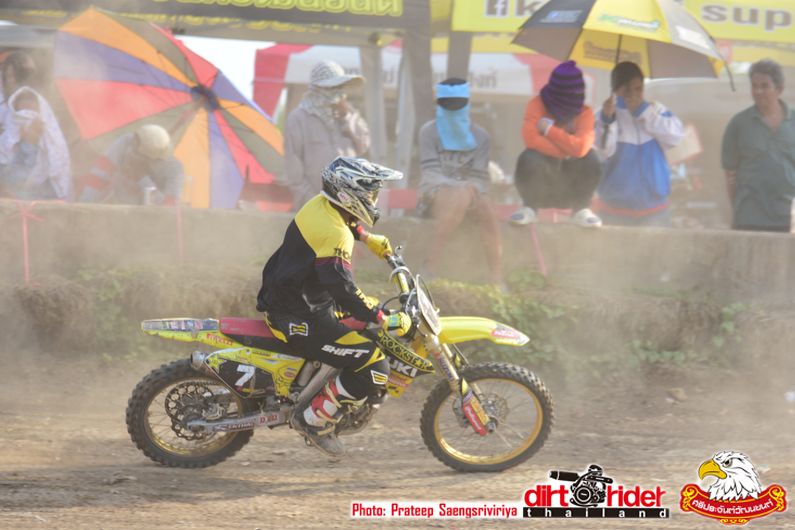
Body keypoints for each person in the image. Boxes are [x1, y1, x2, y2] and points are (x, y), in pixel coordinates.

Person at [256, 156, 410, 457]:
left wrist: (365, 237)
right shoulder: (335, 233)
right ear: (348, 194)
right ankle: (313, 422)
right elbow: (343, 288)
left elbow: (341, 221)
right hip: (299, 315)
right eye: (370, 194)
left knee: (364, 326)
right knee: (375, 366)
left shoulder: (320, 205)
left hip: (295, 298)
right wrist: (382, 317)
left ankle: (321, 390)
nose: (374, 200)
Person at [417, 78, 504, 286]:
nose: (453, 109)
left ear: (467, 104)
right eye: (448, 105)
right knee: (460, 195)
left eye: (457, 104)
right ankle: (430, 265)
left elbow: (480, 178)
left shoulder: (481, 136)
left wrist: (468, 189)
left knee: (487, 210)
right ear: (439, 105)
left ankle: (496, 277)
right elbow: (431, 174)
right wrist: (461, 188)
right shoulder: (429, 131)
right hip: (433, 195)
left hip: (472, 196)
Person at [510, 60, 603, 228]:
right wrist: (566, 150)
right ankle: (529, 208)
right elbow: (530, 138)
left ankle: (581, 210)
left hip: (571, 187)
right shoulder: (536, 105)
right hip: (542, 183)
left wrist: (549, 130)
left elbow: (581, 148)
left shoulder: (585, 113)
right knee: (529, 157)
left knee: (591, 158)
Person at [594, 62, 684, 227]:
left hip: (655, 209)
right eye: (627, 90)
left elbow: (675, 137)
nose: (633, 94)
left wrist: (644, 112)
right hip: (614, 210)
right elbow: (603, 151)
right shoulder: (603, 114)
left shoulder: (656, 110)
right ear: (615, 89)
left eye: (638, 89)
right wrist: (608, 120)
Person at [283, 60, 370, 210]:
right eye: (333, 87)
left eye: (340, 87)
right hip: (313, 206)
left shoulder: (349, 115)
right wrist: (313, 201)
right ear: (318, 88)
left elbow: (364, 145)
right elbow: (293, 170)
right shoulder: (298, 119)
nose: (338, 92)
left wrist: (347, 118)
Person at [722, 59, 795, 232]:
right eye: (754, 86)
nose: (758, 91)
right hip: (749, 217)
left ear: (779, 89)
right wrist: (738, 212)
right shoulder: (738, 124)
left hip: (788, 218)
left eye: (764, 86)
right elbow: (730, 175)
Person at [0, 51, 71, 200]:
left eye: (11, 76)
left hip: (29, 179)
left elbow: (29, 143)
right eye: (6, 76)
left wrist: (10, 187)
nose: (8, 81)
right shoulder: (13, 100)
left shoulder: (25, 98)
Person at [79, 124, 183, 205]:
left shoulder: (174, 169)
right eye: (134, 140)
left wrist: (143, 179)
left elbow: (170, 207)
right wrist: (85, 204)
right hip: (113, 206)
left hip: (146, 219)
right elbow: (99, 175)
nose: (133, 143)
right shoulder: (127, 142)